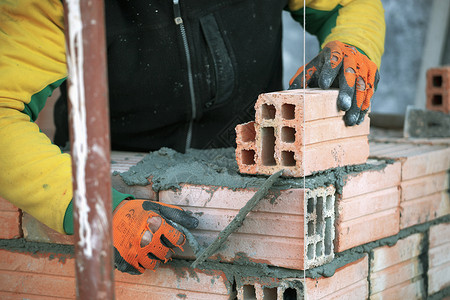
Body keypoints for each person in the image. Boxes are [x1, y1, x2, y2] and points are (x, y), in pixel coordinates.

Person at [0, 0, 385, 274]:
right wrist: (92, 211)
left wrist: (354, 44)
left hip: (254, 169)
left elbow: (348, 4)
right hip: (126, 193)